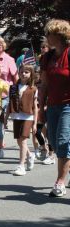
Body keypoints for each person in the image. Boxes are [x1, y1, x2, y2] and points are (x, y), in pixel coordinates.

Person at [38, 19, 70, 197]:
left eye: (49, 34)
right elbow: (43, 84)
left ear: (59, 35)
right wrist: (41, 107)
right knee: (53, 140)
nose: (47, 37)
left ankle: (60, 182)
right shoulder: (47, 57)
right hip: (52, 105)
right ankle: (67, 164)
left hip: (68, 105)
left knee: (64, 140)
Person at [7, 64, 38, 176]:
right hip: (16, 117)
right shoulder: (14, 87)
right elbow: (9, 105)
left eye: (26, 72)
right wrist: (6, 118)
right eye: (22, 72)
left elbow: (35, 107)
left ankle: (21, 166)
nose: (23, 74)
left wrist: (35, 123)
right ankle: (30, 155)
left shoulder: (33, 89)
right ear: (18, 73)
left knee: (23, 140)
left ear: (31, 75)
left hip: (28, 117)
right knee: (19, 141)